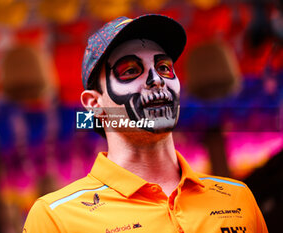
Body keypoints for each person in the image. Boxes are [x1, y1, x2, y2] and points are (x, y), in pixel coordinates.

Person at [23, 14, 268, 233]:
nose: (156, 80)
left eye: (164, 67)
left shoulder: (237, 198)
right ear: (94, 104)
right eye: (130, 70)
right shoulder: (55, 218)